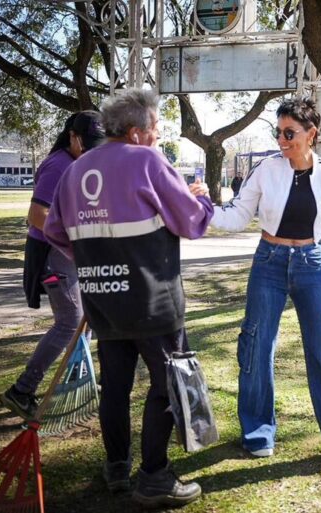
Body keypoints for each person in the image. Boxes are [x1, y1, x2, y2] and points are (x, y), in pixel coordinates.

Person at [44, 89, 212, 507]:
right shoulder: (148, 160)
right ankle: (154, 475)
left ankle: (116, 466)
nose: (159, 137)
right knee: (168, 384)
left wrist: (94, 260)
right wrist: (203, 198)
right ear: (137, 133)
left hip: (102, 300)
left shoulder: (76, 169)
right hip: (152, 299)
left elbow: (54, 231)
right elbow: (191, 223)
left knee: (115, 386)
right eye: (156, 129)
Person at [200, 97, 321, 469]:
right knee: (257, 345)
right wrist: (200, 207)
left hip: (311, 265)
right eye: (278, 132)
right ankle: (258, 432)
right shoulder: (265, 170)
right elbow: (236, 216)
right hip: (269, 263)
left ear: (311, 134)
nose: (282, 139)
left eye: (289, 133)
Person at [0, 111, 104, 420]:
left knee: (87, 319)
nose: (90, 150)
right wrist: (74, 243)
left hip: (68, 254)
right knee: (69, 323)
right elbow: (36, 215)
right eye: (86, 143)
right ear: (72, 136)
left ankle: (74, 385)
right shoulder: (59, 165)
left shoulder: (78, 163)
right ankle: (22, 391)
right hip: (52, 254)